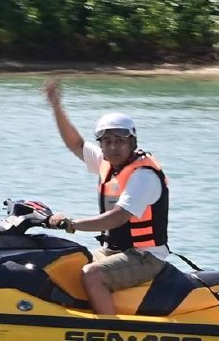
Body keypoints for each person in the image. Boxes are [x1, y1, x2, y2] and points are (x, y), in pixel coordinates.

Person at [40, 78, 171, 317]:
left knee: (92, 274)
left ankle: (108, 329)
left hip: (145, 256)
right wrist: (56, 106)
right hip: (113, 251)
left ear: (132, 142)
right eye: (107, 141)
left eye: (120, 141)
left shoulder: (144, 176)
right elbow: (75, 143)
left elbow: (117, 218)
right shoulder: (106, 163)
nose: (113, 147)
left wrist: (72, 224)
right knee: (65, 261)